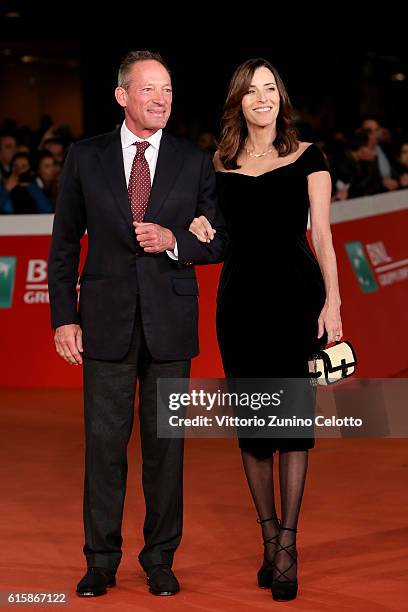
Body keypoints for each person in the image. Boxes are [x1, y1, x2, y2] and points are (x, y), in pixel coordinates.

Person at [48, 50, 228, 598]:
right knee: (104, 448)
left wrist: (177, 242)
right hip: (104, 323)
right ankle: (100, 559)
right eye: (150, 89)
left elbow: (219, 238)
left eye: (169, 90)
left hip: (170, 323)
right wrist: (64, 319)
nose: (162, 99)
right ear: (123, 95)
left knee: (165, 449)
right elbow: (62, 247)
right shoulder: (85, 157)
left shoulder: (194, 162)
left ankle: (160, 558)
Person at [189, 58, 342, 601]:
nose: (262, 98)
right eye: (252, 90)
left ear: (281, 98)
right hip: (241, 306)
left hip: (296, 299)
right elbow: (211, 229)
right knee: (255, 430)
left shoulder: (309, 157)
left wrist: (334, 303)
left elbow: (321, 235)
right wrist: (196, 222)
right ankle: (268, 538)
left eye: (270, 88)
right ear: (239, 101)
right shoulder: (219, 164)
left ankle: (288, 550)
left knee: (293, 425)